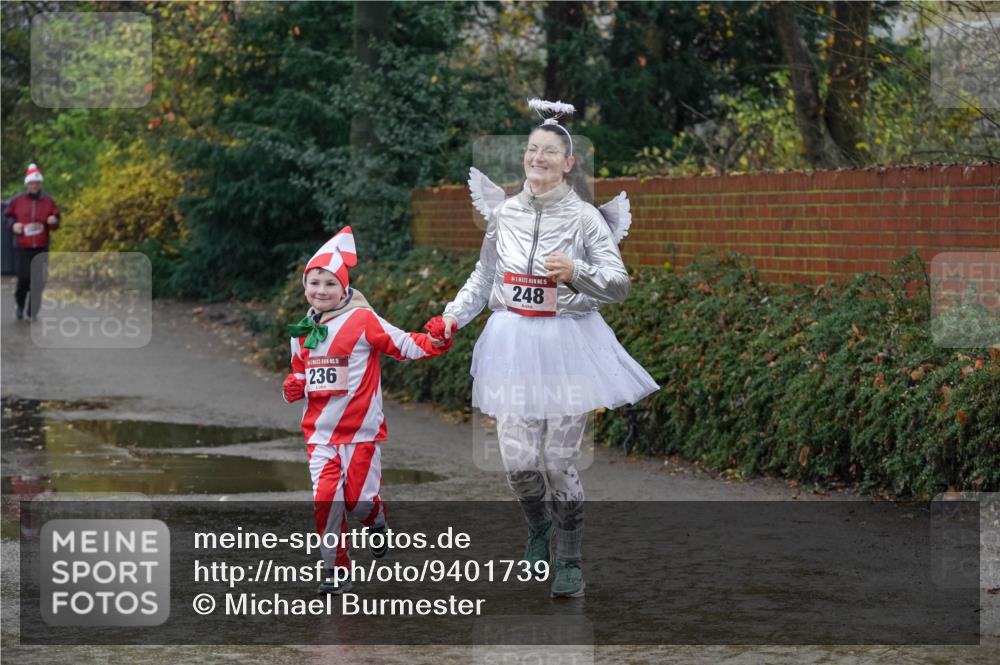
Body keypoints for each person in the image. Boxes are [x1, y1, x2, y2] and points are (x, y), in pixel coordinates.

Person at [436, 99, 659, 598]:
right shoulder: (504, 214)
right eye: (532, 150)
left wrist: (575, 272)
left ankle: (571, 560)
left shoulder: (585, 219)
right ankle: (538, 527)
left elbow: (619, 284)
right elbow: (484, 276)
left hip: (566, 345)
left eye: (549, 152)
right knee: (517, 463)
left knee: (558, 462)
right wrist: (451, 316)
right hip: (511, 342)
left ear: (568, 163)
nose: (538, 158)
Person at [282, 226, 451, 594]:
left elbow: (404, 345)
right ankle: (335, 570)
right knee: (327, 499)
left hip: (360, 433)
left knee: (357, 503)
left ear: (344, 288)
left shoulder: (363, 321)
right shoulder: (299, 331)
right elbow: (299, 373)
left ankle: (376, 521)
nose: (321, 290)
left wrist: (437, 339)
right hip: (321, 433)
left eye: (329, 283)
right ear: (305, 287)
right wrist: (292, 387)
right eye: (314, 283)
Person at [3, 163, 60, 320]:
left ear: (40, 184)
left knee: (39, 280)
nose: (34, 186)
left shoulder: (48, 201)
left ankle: (32, 310)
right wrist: (13, 225)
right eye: (31, 183)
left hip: (41, 246)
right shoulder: (18, 200)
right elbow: (7, 217)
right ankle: (20, 304)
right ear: (27, 184)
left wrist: (53, 221)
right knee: (24, 278)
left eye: (37, 183)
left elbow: (57, 221)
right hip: (23, 246)